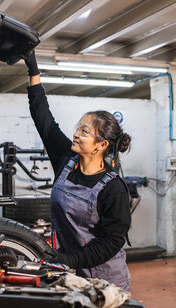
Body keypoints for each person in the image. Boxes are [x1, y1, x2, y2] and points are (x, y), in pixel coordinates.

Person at [24, 50, 133, 291]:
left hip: (105, 282)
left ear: (101, 145)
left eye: (85, 131)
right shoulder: (66, 159)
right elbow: (43, 117)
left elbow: (111, 242)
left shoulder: (114, 189)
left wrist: (68, 260)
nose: (76, 134)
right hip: (71, 272)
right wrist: (33, 68)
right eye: (78, 128)